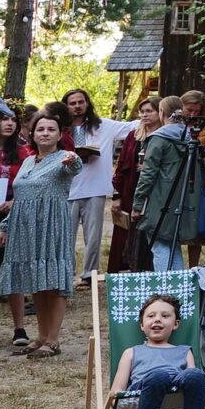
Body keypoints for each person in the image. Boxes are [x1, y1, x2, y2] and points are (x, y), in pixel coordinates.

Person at [0, 114, 81, 358]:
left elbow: (75, 166)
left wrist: (72, 160)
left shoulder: (64, 158)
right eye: (40, 129)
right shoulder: (28, 161)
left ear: (59, 134)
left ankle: (53, 340)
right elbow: (20, 198)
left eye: (51, 129)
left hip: (51, 226)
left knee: (53, 281)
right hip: (25, 227)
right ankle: (41, 336)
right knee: (38, 281)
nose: (45, 133)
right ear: (32, 134)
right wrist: (6, 225)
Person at [63, 88, 134, 285]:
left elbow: (134, 127)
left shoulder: (103, 125)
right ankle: (66, 275)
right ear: (66, 106)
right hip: (67, 188)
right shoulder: (59, 128)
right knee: (65, 237)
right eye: (72, 103)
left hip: (94, 187)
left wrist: (161, 112)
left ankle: (89, 274)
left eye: (80, 102)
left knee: (93, 236)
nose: (77, 106)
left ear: (87, 103)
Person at [131, 105, 203, 273]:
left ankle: (166, 290)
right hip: (183, 196)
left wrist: (138, 203)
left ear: (162, 112)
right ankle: (178, 289)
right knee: (172, 244)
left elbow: (148, 174)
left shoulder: (159, 138)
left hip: (159, 198)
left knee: (159, 246)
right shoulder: (191, 138)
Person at [107, 96, 162, 273]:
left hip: (156, 192)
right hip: (132, 190)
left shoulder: (164, 135)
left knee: (149, 235)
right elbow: (122, 166)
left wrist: (151, 166)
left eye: (150, 111)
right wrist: (117, 196)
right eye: (143, 111)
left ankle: (150, 269)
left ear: (160, 112)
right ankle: (130, 269)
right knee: (128, 234)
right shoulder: (134, 135)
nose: (145, 115)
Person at [0, 102, 28, 346]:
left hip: (11, 216)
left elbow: (30, 184)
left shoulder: (23, 152)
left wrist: (14, 202)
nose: (9, 123)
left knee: (12, 269)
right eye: (4, 118)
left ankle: (20, 329)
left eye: (13, 120)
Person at [177, 91, 205, 266]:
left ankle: (193, 266)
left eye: (197, 111)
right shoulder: (174, 121)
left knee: (197, 224)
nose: (193, 114)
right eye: (189, 110)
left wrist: (203, 154)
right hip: (179, 176)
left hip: (201, 176)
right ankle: (175, 265)